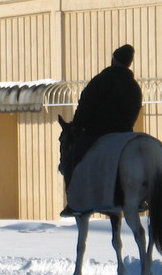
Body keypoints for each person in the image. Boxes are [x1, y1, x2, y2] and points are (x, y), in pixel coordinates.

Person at [61, 44, 142, 215]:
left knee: (70, 162)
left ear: (113, 59)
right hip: (125, 134)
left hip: (98, 133)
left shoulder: (101, 81)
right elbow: (135, 110)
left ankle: (73, 203)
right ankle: (141, 198)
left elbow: (86, 105)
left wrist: (77, 125)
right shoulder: (134, 86)